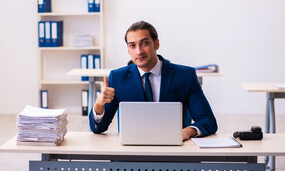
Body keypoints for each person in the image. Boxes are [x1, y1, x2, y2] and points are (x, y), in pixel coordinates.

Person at [89, 21, 217, 140]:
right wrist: (98, 105)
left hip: (174, 153)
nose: (139, 51)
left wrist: (187, 132)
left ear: (156, 44)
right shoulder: (117, 78)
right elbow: (98, 128)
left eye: (144, 43)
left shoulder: (185, 76)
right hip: (130, 155)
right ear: (128, 50)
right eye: (132, 45)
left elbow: (208, 121)